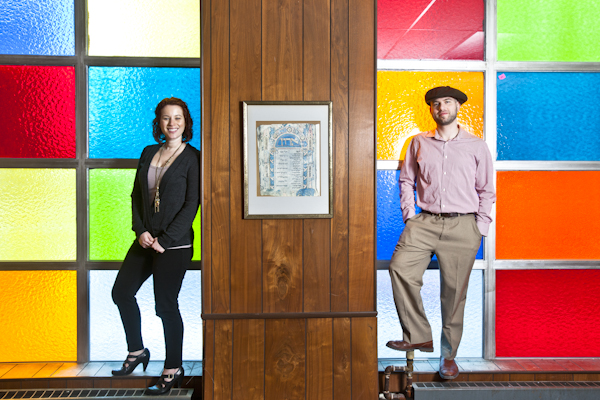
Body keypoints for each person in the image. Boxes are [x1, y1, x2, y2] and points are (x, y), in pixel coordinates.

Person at [386, 86, 495, 380]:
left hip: (463, 225)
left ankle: (448, 356)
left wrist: (480, 227)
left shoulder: (476, 146)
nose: (441, 107)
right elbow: (406, 180)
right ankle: (418, 336)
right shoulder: (418, 142)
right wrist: (410, 215)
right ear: (431, 110)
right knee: (399, 269)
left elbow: (487, 190)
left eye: (447, 102)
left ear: (458, 107)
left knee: (454, 293)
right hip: (424, 222)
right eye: (436, 103)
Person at [111, 97, 200, 395]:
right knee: (121, 293)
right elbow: (136, 196)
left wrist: (167, 239)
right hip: (146, 240)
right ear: (158, 122)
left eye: (177, 118)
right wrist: (140, 231)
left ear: (185, 122)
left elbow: (192, 204)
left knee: (165, 306)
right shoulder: (148, 152)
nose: (172, 123)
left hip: (174, 246)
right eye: (166, 118)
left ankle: (173, 368)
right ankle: (137, 351)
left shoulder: (193, 158)